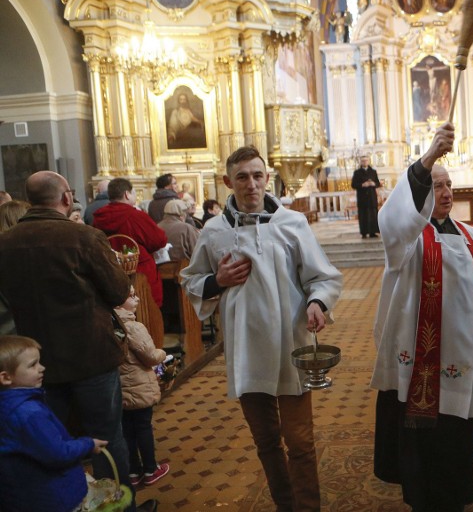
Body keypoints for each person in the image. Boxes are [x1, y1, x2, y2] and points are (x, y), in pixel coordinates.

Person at [181, 146, 342, 512]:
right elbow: (191, 280)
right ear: (227, 181)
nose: (251, 184)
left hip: (292, 344)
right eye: (242, 177)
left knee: (300, 441)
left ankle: (308, 507)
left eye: (257, 175)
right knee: (266, 440)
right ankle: (286, 505)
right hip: (245, 348)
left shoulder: (291, 223)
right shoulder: (214, 230)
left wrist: (318, 302)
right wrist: (216, 281)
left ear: (267, 178)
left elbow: (323, 277)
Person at [371, 124, 473, 512]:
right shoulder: (406, 241)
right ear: (419, 194)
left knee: (457, 438)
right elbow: (392, 221)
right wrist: (428, 159)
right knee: (422, 443)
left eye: (449, 183)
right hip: (419, 362)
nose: (447, 191)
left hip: (463, 360)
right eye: (436, 185)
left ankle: (453, 498)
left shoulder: (471, 235)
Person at [0, 171, 156, 512]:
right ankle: (120, 509)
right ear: (66, 198)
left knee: (52, 442)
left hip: (35, 364)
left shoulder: (5, 243)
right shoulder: (84, 237)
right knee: (107, 438)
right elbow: (117, 291)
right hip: (92, 356)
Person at [0, 335, 109, 512]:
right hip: (51, 497)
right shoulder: (28, 413)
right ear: (6, 377)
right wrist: (88, 444)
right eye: (32, 365)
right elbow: (57, 453)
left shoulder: (10, 404)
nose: (42, 368)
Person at [116, 287, 170, 488]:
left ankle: (133, 471)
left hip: (120, 388)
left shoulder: (108, 322)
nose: (137, 298)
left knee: (127, 431)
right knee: (143, 429)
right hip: (139, 387)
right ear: (118, 301)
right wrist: (162, 353)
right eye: (131, 295)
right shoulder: (133, 326)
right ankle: (150, 469)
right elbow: (149, 356)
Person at [94, 178, 169, 307]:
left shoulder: (99, 218)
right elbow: (158, 240)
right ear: (127, 194)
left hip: (113, 271)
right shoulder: (135, 216)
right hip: (139, 273)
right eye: (133, 193)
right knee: (147, 312)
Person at [351, 155, 381, 238]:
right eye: (363, 161)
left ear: (368, 161)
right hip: (362, 197)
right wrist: (362, 185)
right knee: (363, 215)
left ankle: (373, 232)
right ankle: (364, 232)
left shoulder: (373, 172)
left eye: (366, 160)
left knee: (373, 215)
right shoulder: (357, 173)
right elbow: (353, 185)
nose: (364, 162)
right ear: (361, 162)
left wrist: (373, 184)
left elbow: (378, 183)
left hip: (372, 197)